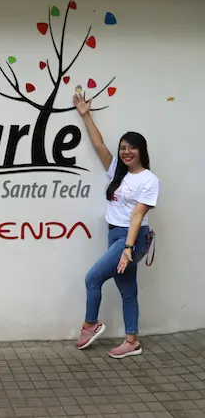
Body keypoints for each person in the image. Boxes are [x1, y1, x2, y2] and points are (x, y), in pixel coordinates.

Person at [72, 93, 160, 359]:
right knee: (127, 290)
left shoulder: (149, 180)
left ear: (141, 151)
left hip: (133, 237)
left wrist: (128, 249)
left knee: (92, 278)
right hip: (116, 236)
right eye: (123, 147)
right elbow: (98, 144)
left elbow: (137, 217)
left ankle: (90, 325)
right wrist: (85, 114)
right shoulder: (117, 172)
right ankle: (132, 341)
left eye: (131, 148)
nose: (126, 151)